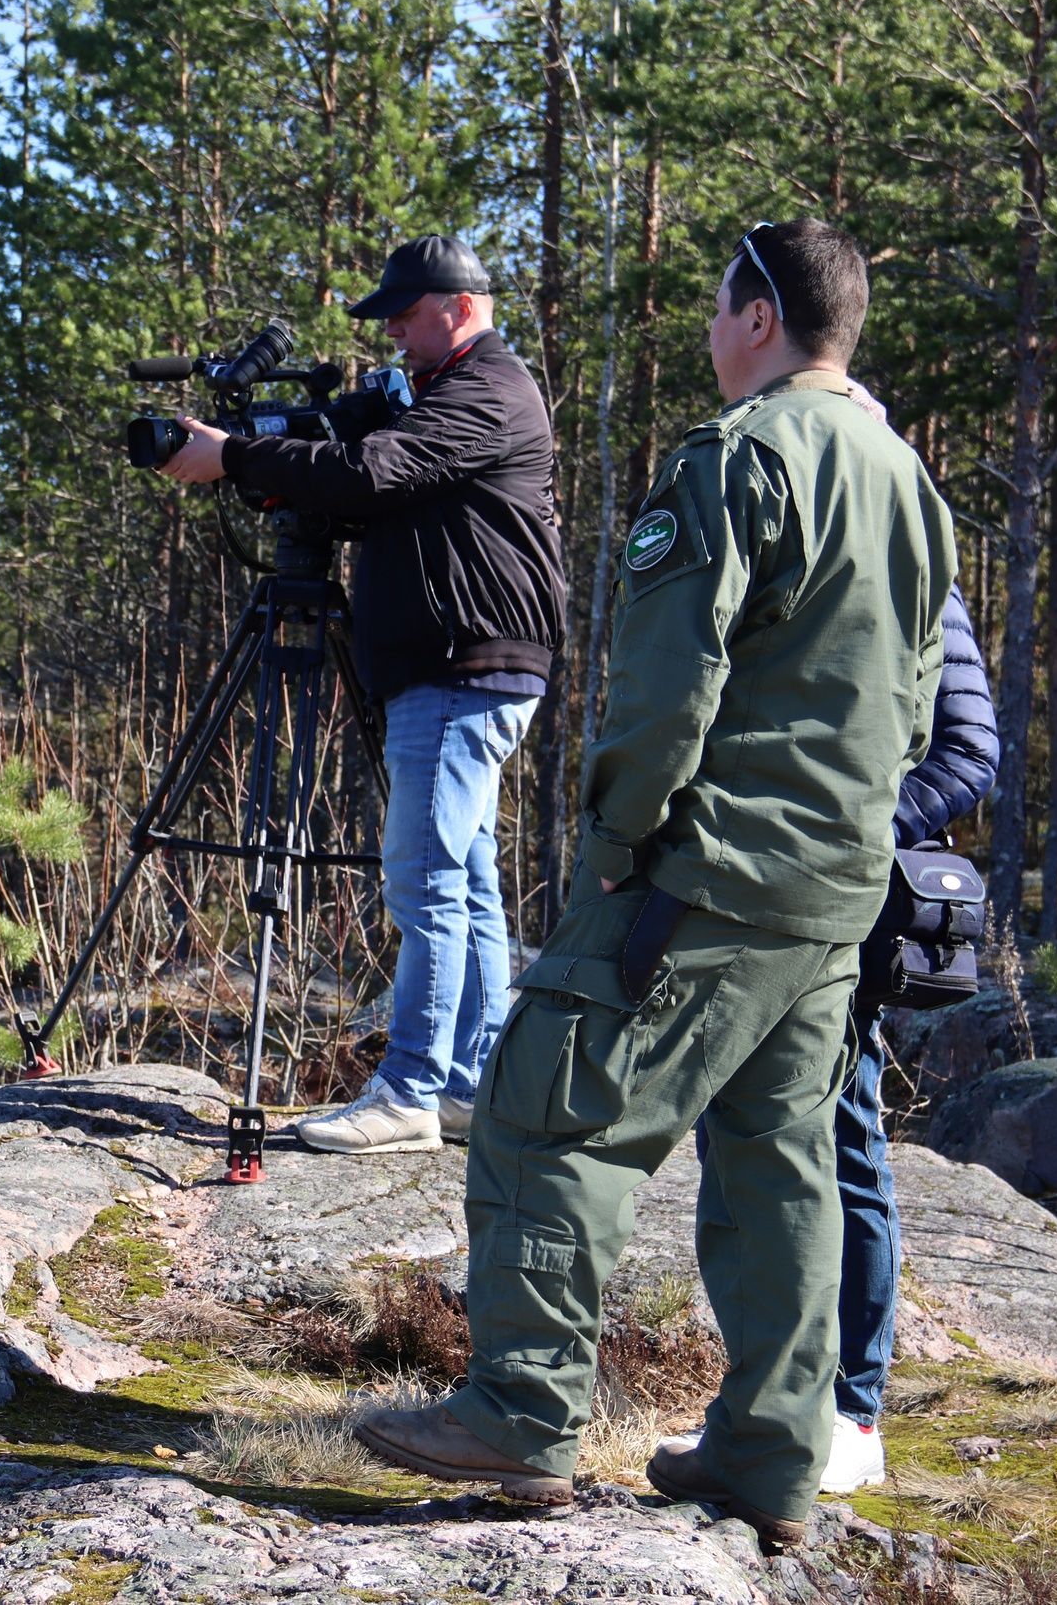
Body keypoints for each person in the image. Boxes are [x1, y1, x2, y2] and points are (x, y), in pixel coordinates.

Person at [351, 218, 957, 1547]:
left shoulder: (737, 458)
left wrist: (621, 841)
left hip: (706, 869)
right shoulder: (905, 473)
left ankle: (520, 1411)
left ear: (757, 317)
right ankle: (772, 1453)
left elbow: (667, 687)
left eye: (715, 306)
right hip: (836, 887)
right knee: (777, 1158)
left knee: (542, 1110)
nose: (705, 329)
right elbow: (917, 696)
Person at [156, 234, 566, 1156]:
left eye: (405, 316)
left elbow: (374, 470)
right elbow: (345, 438)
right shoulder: (436, 386)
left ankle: (411, 1090)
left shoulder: (487, 390)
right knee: (464, 880)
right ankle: (469, 1086)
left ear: (458, 309)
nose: (393, 335)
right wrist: (255, 438)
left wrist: (236, 460)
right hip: (462, 662)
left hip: (464, 664)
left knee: (424, 877)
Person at [678, 572, 997, 1498]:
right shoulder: (788, 545)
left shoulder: (916, 557)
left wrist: (854, 830)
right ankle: (764, 1406)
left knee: (844, 1139)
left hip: (846, 904)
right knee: (736, 1140)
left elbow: (970, 751)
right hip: (741, 894)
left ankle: (852, 1412)